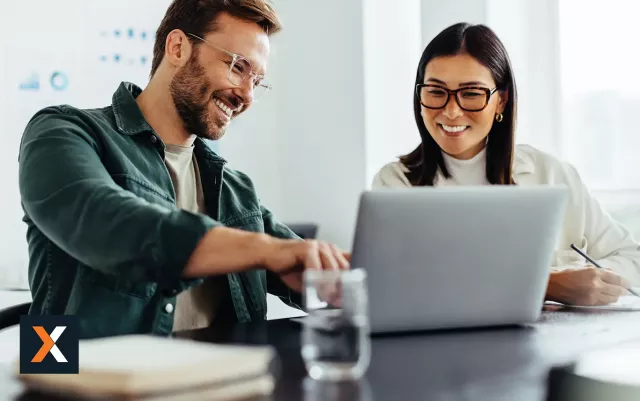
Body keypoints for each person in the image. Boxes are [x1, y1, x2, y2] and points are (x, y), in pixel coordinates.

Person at [18, 0, 349, 339]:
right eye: (237, 66)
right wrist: (267, 251)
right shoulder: (62, 131)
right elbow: (108, 222)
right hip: (70, 371)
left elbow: (299, 261)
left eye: (258, 81)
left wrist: (348, 272)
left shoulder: (235, 190)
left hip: (219, 381)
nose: (246, 95)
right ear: (177, 47)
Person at [372, 22, 640, 307]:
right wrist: (547, 284)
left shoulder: (551, 174)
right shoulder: (395, 184)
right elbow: (398, 283)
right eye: (436, 92)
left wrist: (592, 282)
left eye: (471, 94)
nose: (451, 111)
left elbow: (633, 259)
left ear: (501, 101)